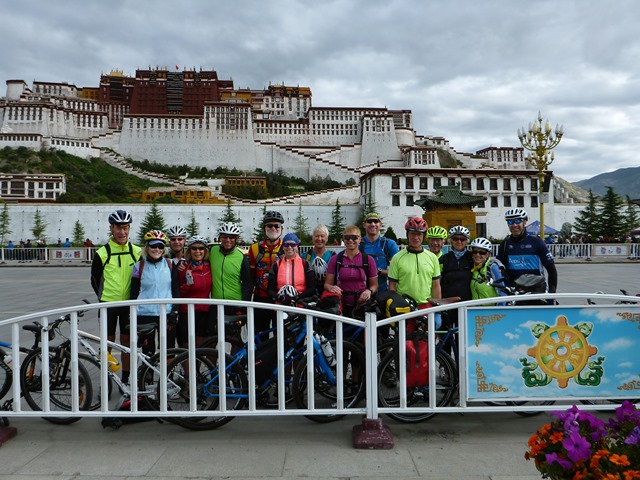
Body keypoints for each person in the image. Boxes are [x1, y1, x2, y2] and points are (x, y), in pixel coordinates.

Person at [90, 209, 141, 383]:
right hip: (107, 304)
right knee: (107, 343)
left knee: (126, 343)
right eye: (118, 228)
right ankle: (107, 379)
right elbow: (94, 280)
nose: (122, 232)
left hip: (128, 304)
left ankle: (126, 379)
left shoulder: (137, 251)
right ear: (111, 228)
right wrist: (103, 298)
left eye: (125, 228)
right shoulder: (102, 253)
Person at [129, 230, 180, 353]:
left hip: (166, 313)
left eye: (160, 246)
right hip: (145, 314)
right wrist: (131, 313)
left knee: (169, 348)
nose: (157, 249)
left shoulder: (171, 264)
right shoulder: (138, 266)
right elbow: (134, 292)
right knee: (148, 349)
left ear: (164, 249)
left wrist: (175, 310)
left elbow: (175, 289)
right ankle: (148, 372)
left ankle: (169, 373)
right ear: (147, 247)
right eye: (153, 246)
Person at [388, 217, 442, 330]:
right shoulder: (397, 258)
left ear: (424, 236)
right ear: (407, 235)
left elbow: (436, 285)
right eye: (413, 234)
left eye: (419, 234)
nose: (416, 238)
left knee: (427, 345)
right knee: (405, 344)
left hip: (426, 306)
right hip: (405, 307)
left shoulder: (432, 258)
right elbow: (392, 287)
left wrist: (438, 311)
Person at [497, 208, 557, 301]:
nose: (514, 225)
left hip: (536, 293)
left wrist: (551, 294)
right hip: (514, 294)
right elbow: (499, 269)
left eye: (518, 221)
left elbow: (552, 270)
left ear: (524, 222)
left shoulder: (537, 242)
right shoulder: (505, 244)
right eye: (510, 222)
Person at [324, 225, 378, 319]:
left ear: (360, 239)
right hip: (341, 305)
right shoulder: (335, 259)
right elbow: (327, 284)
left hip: (362, 305)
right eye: (347, 238)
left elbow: (375, 285)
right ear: (343, 240)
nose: (350, 240)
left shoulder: (368, 260)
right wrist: (331, 287)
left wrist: (369, 291)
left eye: (354, 237)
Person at [249, 210, 285, 333]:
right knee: (259, 334)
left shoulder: (287, 248)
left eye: (277, 226)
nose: (273, 228)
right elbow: (250, 277)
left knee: (280, 335)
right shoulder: (254, 248)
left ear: (282, 228)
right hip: (261, 297)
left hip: (280, 298)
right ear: (264, 228)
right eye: (269, 225)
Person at [176, 235, 213, 348]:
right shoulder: (183, 268)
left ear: (205, 251)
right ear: (189, 251)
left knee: (200, 344)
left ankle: (196, 366)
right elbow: (177, 293)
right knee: (187, 345)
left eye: (201, 248)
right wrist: (187, 285)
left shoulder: (209, 267)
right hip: (187, 311)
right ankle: (186, 366)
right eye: (194, 248)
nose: (198, 251)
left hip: (204, 311)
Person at [210, 222, 252, 315]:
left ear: (236, 238)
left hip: (235, 304)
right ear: (220, 237)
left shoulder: (241, 257)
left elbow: (247, 283)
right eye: (225, 237)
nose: (228, 240)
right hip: (216, 303)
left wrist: (244, 307)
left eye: (231, 237)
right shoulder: (212, 251)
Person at [439, 225, 473, 330]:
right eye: (455, 239)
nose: (459, 241)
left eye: (462, 239)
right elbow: (437, 280)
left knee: (463, 335)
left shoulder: (471, 258)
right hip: (447, 303)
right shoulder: (444, 259)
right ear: (451, 240)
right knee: (446, 335)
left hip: (466, 303)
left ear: (467, 241)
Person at [267, 233, 316, 305]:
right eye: (286, 245)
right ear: (283, 247)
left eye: (293, 245)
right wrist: (280, 298)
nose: (289, 247)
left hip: (301, 304)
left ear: (297, 246)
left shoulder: (306, 264)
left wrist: (296, 298)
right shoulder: (276, 265)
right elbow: (270, 290)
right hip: (281, 305)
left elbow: (312, 289)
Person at [360, 212, 399, 294]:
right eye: (369, 222)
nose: (373, 224)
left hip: (384, 292)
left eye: (375, 221)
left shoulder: (389, 244)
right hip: (362, 292)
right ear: (364, 225)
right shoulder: (358, 244)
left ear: (380, 225)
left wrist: (379, 271)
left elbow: (398, 272)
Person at [469, 237, 507, 305]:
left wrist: (500, 311)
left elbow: (502, 292)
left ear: (487, 254)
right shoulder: (472, 267)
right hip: (474, 312)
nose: (477, 255)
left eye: (482, 252)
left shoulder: (492, 268)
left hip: (490, 313)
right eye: (475, 252)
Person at [304, 224, 335, 297]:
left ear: (327, 238)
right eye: (317, 236)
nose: (319, 239)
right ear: (313, 238)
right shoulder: (305, 256)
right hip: (309, 292)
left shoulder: (333, 256)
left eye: (322, 236)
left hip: (328, 292)